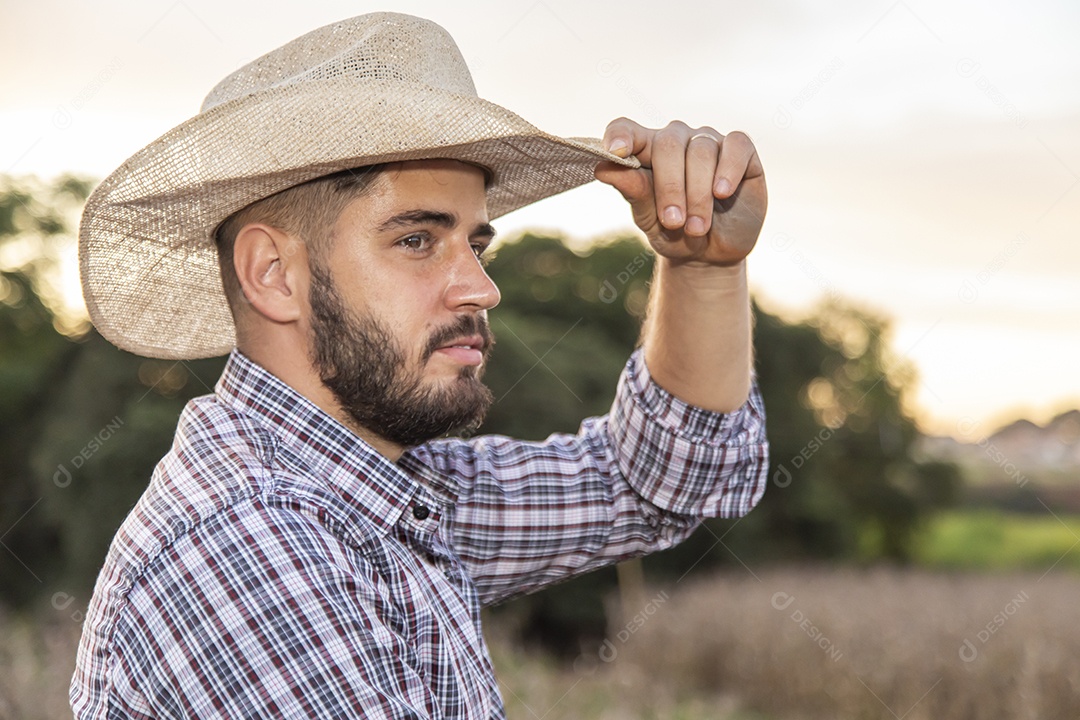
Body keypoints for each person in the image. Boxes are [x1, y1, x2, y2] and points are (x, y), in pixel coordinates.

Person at [71, 11, 769, 719]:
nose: (482, 289)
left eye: (476, 245)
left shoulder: (385, 491)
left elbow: (658, 483)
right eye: (416, 240)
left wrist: (702, 266)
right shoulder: (247, 549)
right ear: (273, 273)